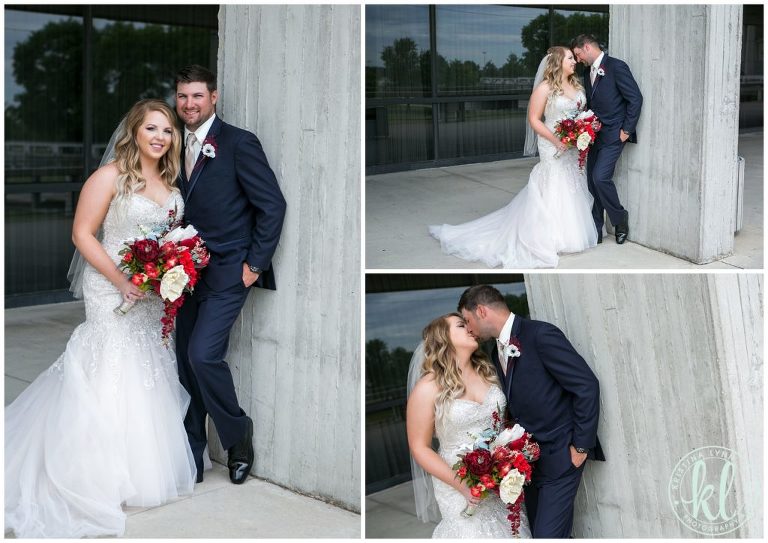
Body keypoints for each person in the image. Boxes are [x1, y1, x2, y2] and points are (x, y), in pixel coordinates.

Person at [5, 99, 197, 538]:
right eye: (151, 128)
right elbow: (81, 234)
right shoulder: (109, 176)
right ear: (134, 131)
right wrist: (122, 281)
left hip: (151, 293)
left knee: (147, 367)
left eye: (167, 131)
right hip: (110, 286)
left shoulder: (170, 180)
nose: (160, 137)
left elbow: (170, 239)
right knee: (111, 364)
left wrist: (172, 271)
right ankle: (97, 471)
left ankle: (140, 466)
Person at [173, 65, 287, 485]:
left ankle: (238, 436)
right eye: (183, 96)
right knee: (187, 365)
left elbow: (272, 205)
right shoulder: (172, 144)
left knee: (203, 355)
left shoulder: (238, 142)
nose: (189, 104)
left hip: (227, 272)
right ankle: (192, 455)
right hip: (180, 276)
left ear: (214, 97)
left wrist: (254, 265)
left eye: (197, 96)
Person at [429, 46, 598, 269]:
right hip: (553, 143)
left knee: (573, 183)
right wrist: (557, 140)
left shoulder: (577, 85)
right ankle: (550, 236)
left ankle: (572, 232)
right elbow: (534, 119)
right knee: (554, 182)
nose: (574, 61)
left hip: (574, 145)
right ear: (558, 62)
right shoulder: (545, 88)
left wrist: (585, 128)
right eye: (569, 58)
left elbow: (580, 113)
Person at [457, 285, 605, 538]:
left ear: (481, 310)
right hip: (528, 465)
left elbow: (586, 385)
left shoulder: (540, 335)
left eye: (468, 320)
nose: (468, 329)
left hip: (561, 455)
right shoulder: (495, 352)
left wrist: (580, 446)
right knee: (540, 532)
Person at [406, 313, 532, 538]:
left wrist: (513, 453)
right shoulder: (428, 387)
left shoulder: (490, 373)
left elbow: (504, 423)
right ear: (443, 338)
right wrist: (463, 486)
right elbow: (419, 447)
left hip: (500, 478)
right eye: (461, 325)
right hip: (456, 481)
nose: (470, 328)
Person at [571, 34, 642, 244]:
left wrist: (626, 130)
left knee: (600, 178)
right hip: (592, 136)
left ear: (586, 48)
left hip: (614, 135)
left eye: (578, 55)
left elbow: (635, 98)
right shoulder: (587, 72)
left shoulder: (617, 66)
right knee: (592, 183)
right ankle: (596, 228)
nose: (578, 60)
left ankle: (620, 219)